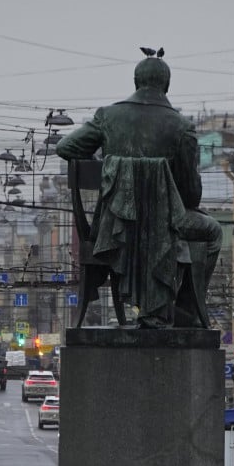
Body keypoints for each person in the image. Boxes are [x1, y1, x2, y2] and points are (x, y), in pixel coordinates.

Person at [56, 52, 222, 328]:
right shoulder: (181, 127)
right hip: (166, 227)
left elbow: (66, 148)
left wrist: (111, 172)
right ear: (166, 85)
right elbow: (192, 195)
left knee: (179, 227)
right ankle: (185, 309)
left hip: (113, 229)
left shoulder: (108, 116)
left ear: (135, 82)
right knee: (213, 232)